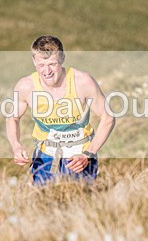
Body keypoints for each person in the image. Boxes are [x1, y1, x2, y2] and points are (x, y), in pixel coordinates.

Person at [6, 36, 115, 185]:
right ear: (33, 61)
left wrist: (89, 153)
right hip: (45, 157)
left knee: (80, 203)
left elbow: (108, 118)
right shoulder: (26, 86)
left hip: (79, 157)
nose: (47, 71)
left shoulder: (82, 81)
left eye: (52, 64)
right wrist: (16, 145)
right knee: (43, 203)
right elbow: (12, 118)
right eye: (41, 65)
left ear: (62, 58)